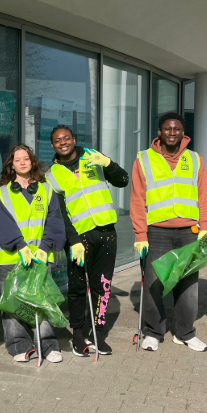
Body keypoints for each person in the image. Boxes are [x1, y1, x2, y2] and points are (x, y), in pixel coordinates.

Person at [131, 112, 207, 353]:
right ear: (160, 132)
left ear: (183, 132)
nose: (172, 132)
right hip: (157, 232)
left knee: (188, 285)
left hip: (190, 231)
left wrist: (205, 226)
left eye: (177, 129)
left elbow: (202, 195)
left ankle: (185, 333)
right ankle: (153, 333)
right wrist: (140, 234)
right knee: (155, 284)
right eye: (167, 128)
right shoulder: (143, 159)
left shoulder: (195, 159)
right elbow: (137, 199)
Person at [45, 125, 129, 356]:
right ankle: (78, 335)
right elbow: (59, 213)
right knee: (77, 288)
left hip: (106, 233)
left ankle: (98, 334)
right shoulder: (51, 175)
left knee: (102, 286)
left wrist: (108, 163)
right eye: (57, 140)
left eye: (66, 138)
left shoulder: (93, 158)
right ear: (53, 145)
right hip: (79, 239)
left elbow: (123, 180)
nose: (63, 142)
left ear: (73, 139)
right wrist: (73, 241)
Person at [0, 144, 66, 363]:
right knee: (12, 303)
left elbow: (55, 221)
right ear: (11, 165)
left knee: (43, 302)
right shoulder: (2, 193)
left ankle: (49, 344)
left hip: (40, 257)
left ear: (33, 161)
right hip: (11, 257)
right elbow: (1, 224)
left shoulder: (46, 190)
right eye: (18, 160)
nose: (23, 162)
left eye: (26, 158)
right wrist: (19, 245)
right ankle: (19, 345)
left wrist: (45, 247)